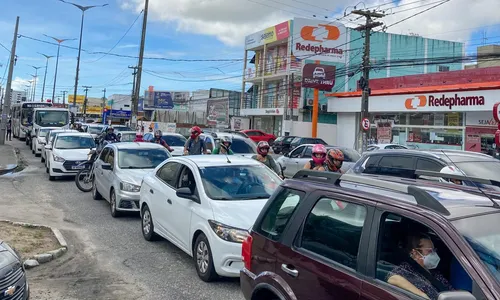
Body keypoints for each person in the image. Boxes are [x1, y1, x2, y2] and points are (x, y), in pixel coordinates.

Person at [386, 233, 454, 300]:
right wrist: (422, 296)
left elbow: (451, 291)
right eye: (430, 251)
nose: (434, 254)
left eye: (434, 250)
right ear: (415, 253)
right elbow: (392, 278)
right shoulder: (406, 269)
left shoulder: (434, 272)